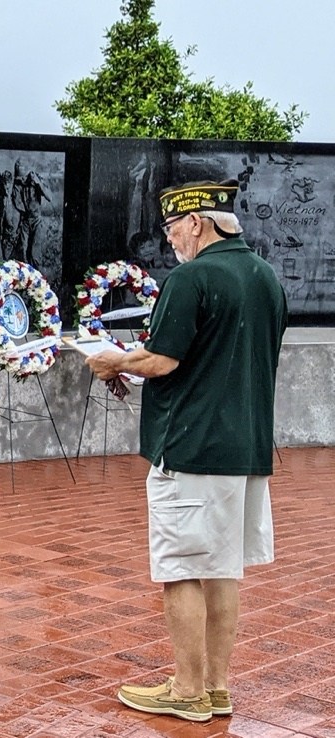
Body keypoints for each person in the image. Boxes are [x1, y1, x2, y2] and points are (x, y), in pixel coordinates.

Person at [85, 179, 288, 723]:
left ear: (196, 222)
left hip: (191, 448)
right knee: (223, 570)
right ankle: (217, 687)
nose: (171, 239)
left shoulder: (193, 276)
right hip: (245, 448)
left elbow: (165, 361)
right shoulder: (266, 276)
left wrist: (113, 361)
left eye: (173, 228)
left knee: (181, 569)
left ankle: (187, 691)